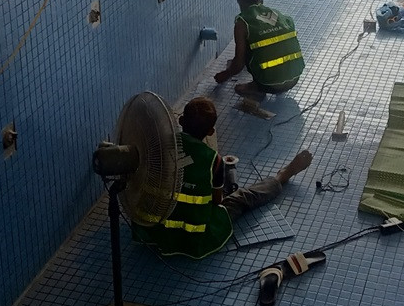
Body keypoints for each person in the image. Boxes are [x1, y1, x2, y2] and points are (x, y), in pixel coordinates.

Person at [132, 97, 312, 259]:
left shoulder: (156, 146)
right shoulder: (213, 160)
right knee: (241, 197)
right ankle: (282, 176)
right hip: (195, 236)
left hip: (154, 228)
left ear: (180, 121)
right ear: (211, 131)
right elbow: (217, 201)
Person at [214, 0, 305, 98]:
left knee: (246, 49)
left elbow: (239, 64)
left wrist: (226, 74)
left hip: (270, 85)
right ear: (260, 0)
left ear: (240, 2)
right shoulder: (278, 14)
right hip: (294, 78)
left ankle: (255, 87)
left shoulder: (242, 23)